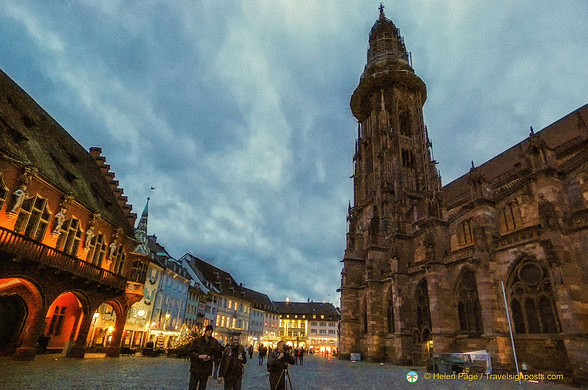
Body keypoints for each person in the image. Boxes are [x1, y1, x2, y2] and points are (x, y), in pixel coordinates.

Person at [188, 325, 222, 390]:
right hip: (196, 368)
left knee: (202, 387)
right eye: (208, 330)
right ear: (205, 331)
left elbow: (217, 355)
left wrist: (210, 358)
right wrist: (199, 356)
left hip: (206, 369)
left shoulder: (214, 342)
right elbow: (191, 352)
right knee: (192, 387)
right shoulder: (197, 340)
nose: (210, 332)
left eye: (211, 331)